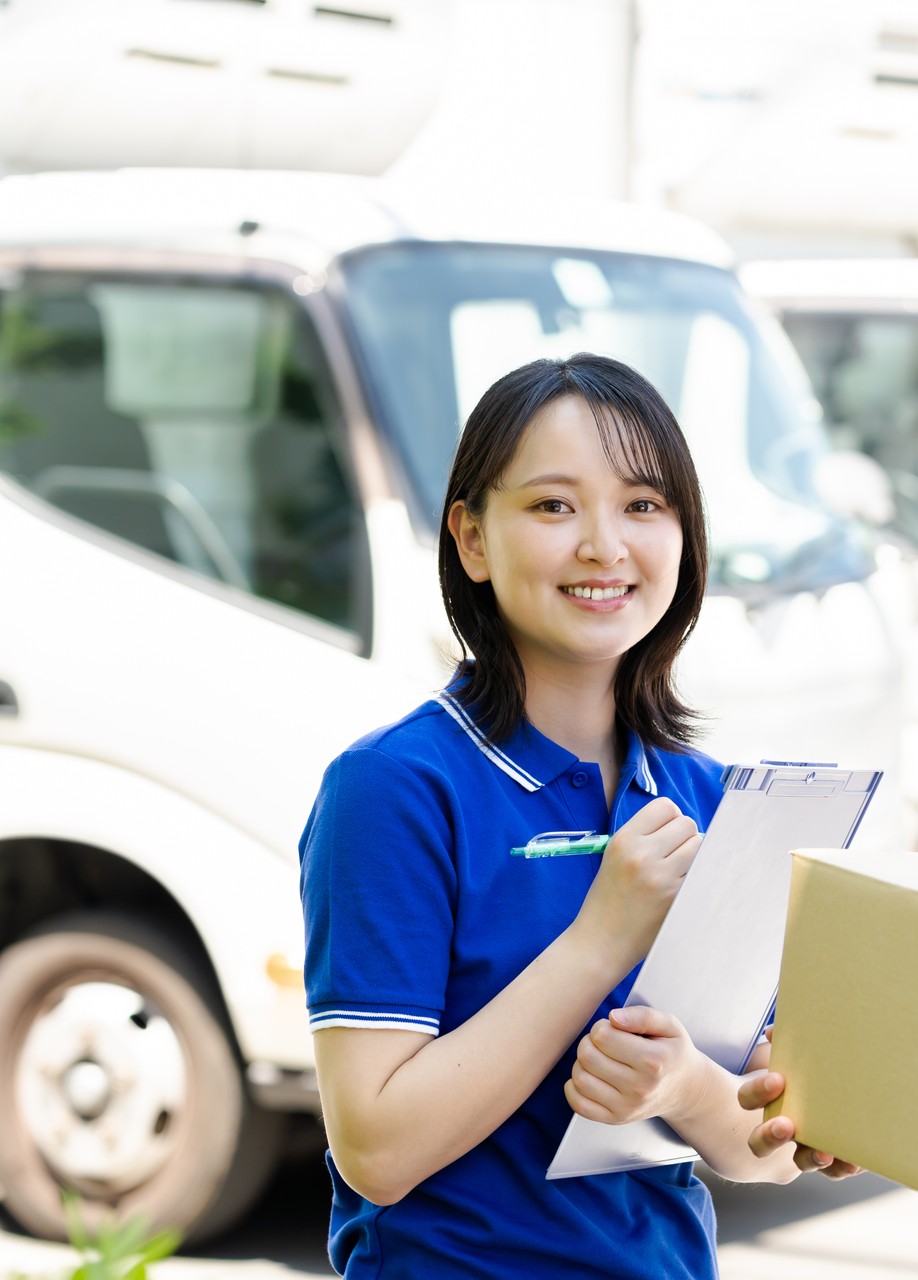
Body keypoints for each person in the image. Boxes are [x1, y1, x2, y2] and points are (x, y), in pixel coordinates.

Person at [299, 354, 801, 1279]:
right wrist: (597, 940)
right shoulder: (392, 789)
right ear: (472, 540)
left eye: (643, 505)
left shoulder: (711, 796)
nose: (605, 547)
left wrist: (685, 1085)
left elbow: (763, 1147)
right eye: (553, 506)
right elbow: (376, 1149)